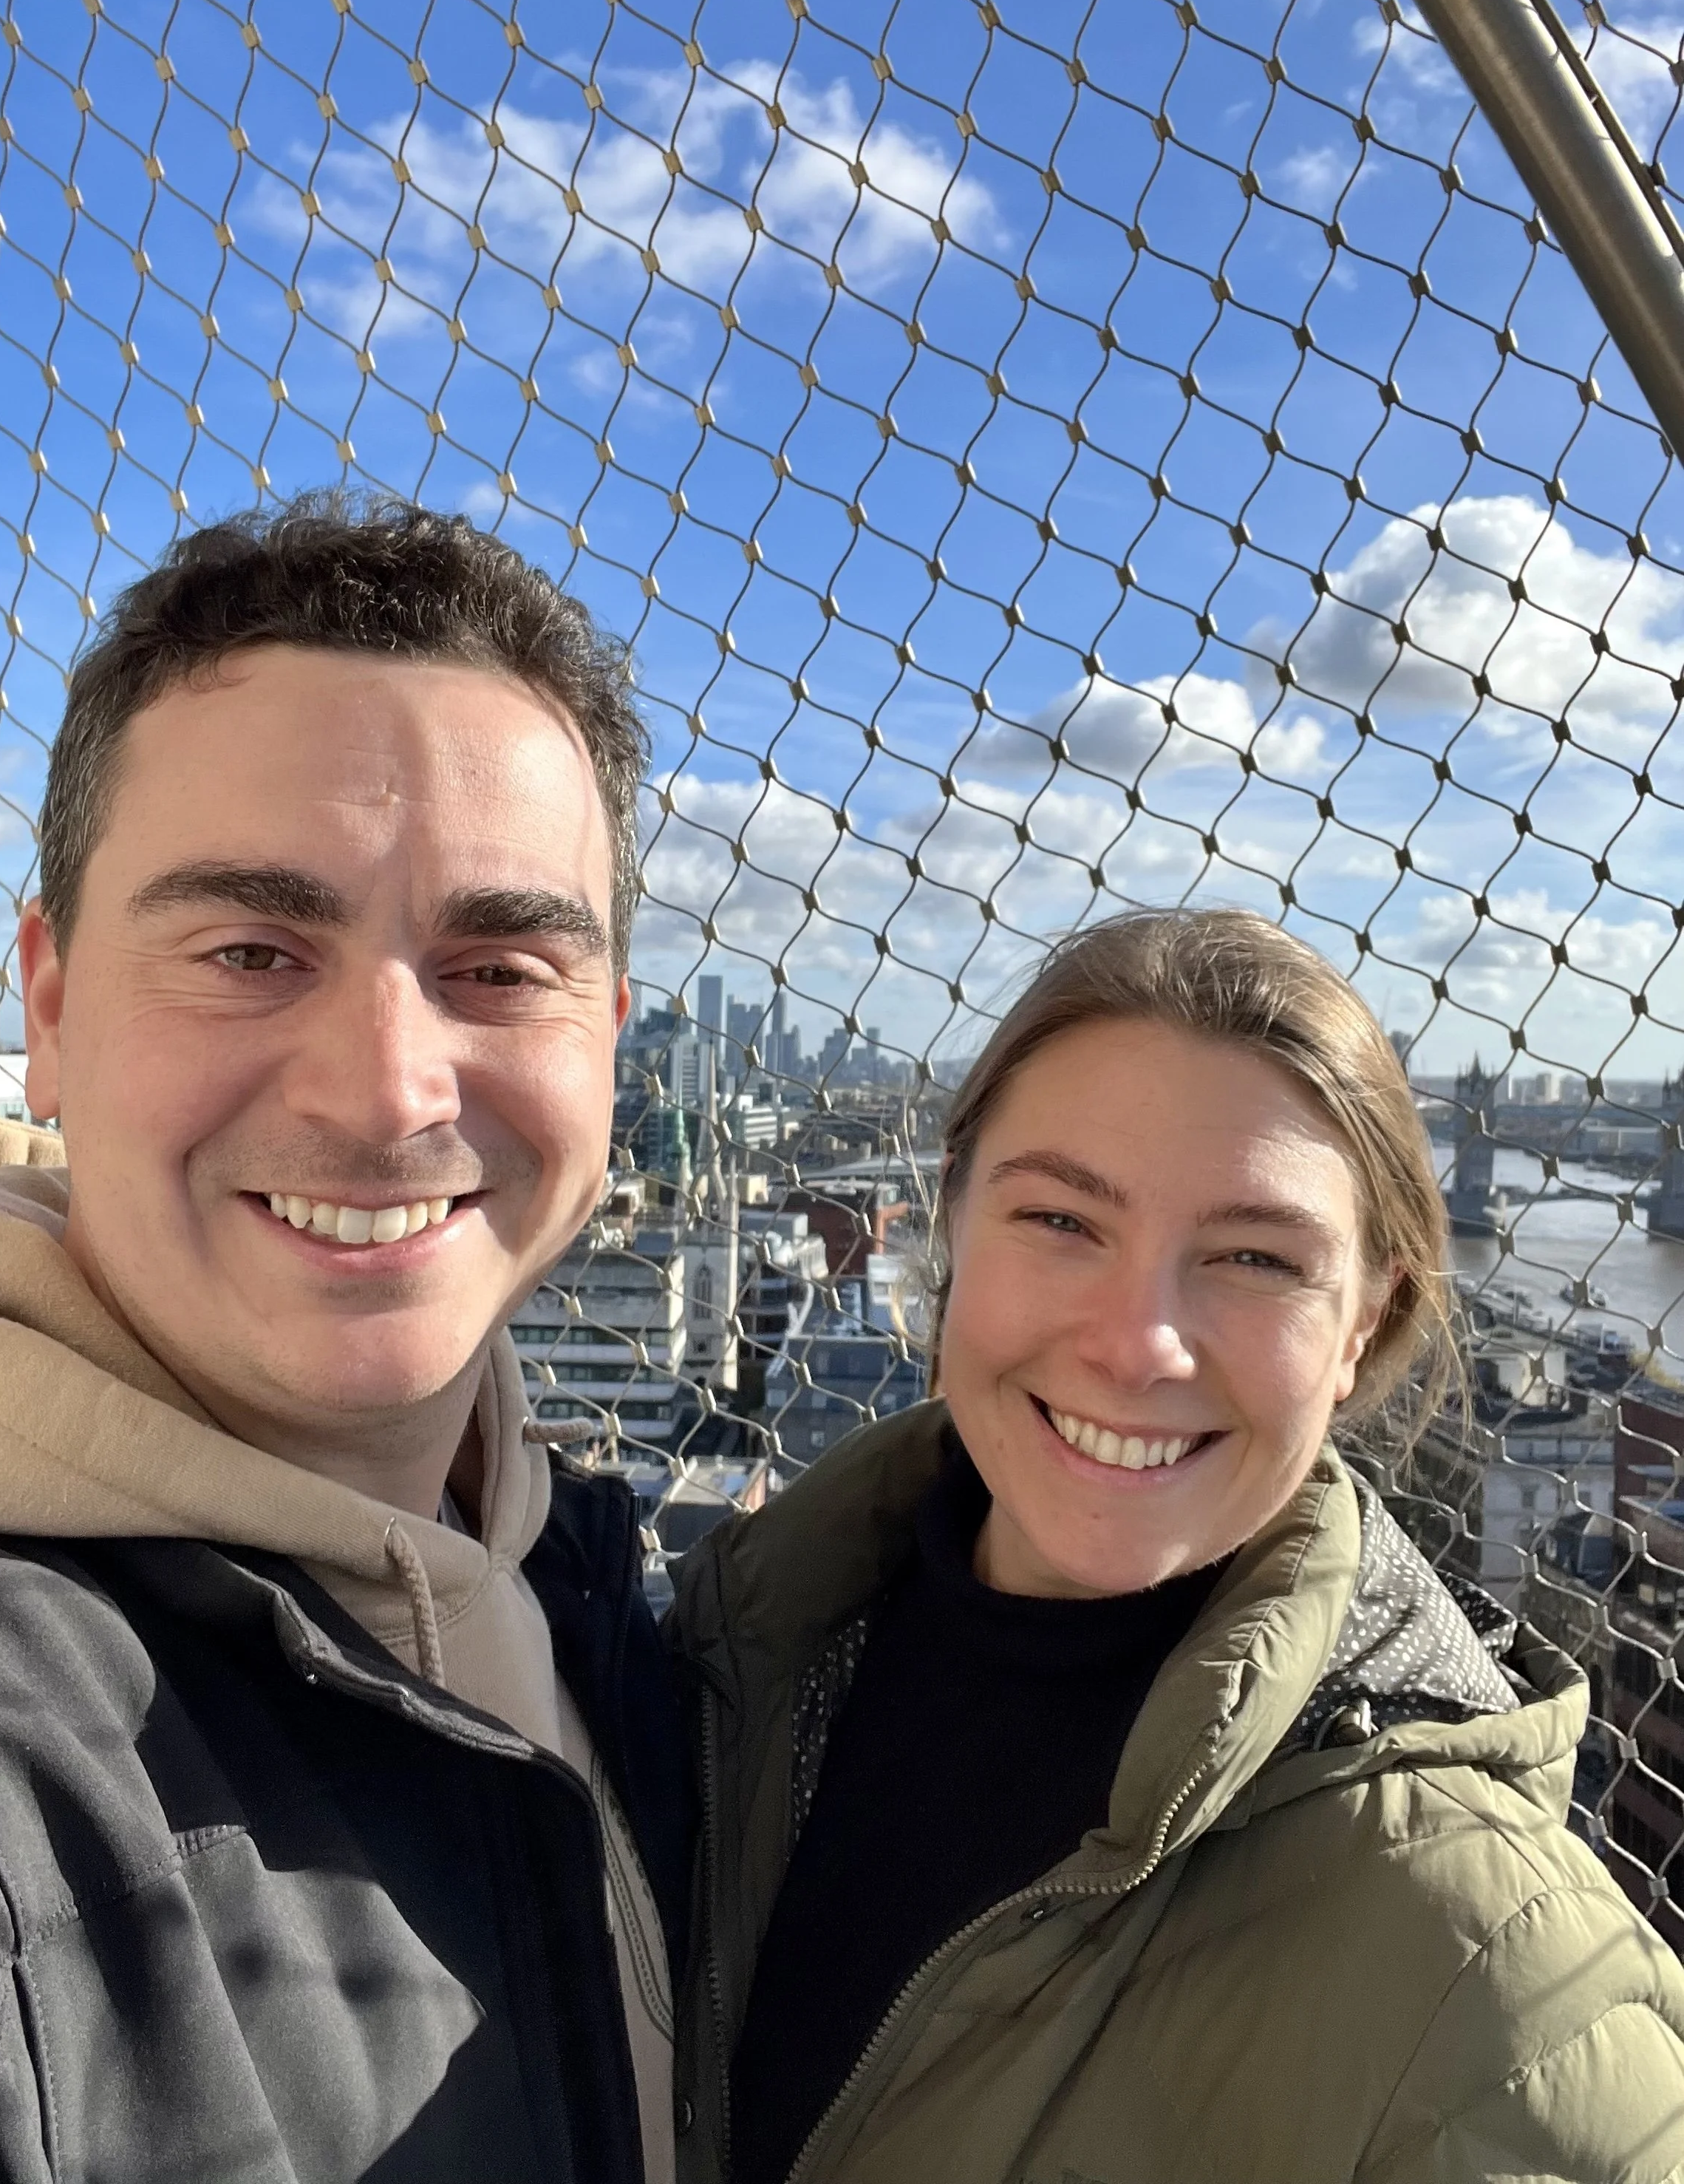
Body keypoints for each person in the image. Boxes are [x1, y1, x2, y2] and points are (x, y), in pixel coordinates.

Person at [671, 908, 1684, 2184]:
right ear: (950, 1228)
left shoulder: (1505, 1984)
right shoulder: (708, 1672)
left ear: (1366, 1327)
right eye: (1060, 1222)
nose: (1136, 1343)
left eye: (1255, 1256)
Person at [0, 495, 686, 2182]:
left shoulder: (611, 1602)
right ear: (52, 1013)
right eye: (247, 949)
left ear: (610, 1040)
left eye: (501, 966)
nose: (384, 1091)